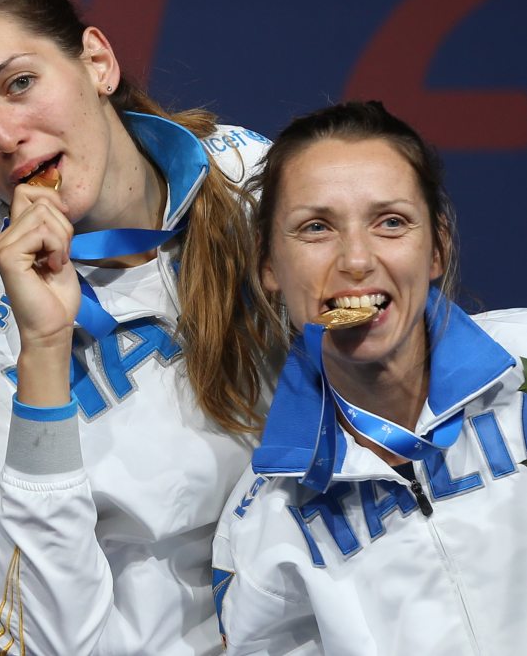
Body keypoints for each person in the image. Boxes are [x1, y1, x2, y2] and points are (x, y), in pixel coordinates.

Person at [0, 0, 276, 653]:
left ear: (97, 62)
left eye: (18, 83)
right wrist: (43, 351)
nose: (5, 134)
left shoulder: (253, 178)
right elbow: (16, 636)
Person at [212, 100, 527, 653]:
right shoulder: (265, 521)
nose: (356, 259)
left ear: (438, 247)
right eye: (316, 227)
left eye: (391, 222)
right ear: (269, 267)